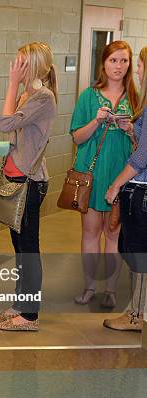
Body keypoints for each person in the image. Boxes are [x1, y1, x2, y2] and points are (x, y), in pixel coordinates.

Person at [0, 42, 57, 332]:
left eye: (20, 63)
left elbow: (4, 123)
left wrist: (11, 85)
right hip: (14, 176)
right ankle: (20, 303)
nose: (15, 67)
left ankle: (30, 315)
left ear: (34, 66)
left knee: (29, 247)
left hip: (30, 181)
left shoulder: (43, 98)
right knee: (19, 247)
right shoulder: (28, 95)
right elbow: (16, 137)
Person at [70, 41, 139, 309]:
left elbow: (141, 144)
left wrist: (130, 130)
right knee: (90, 231)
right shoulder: (88, 95)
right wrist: (96, 121)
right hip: (92, 172)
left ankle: (110, 290)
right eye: (113, 61)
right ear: (104, 63)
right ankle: (88, 287)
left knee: (113, 231)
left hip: (120, 173)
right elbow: (77, 136)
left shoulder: (136, 97)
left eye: (123, 61)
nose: (118, 67)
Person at [103, 45, 147, 331]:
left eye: (141, 66)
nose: (138, 71)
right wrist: (134, 131)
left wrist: (115, 184)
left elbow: (142, 157)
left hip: (142, 192)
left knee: (140, 259)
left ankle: (137, 315)